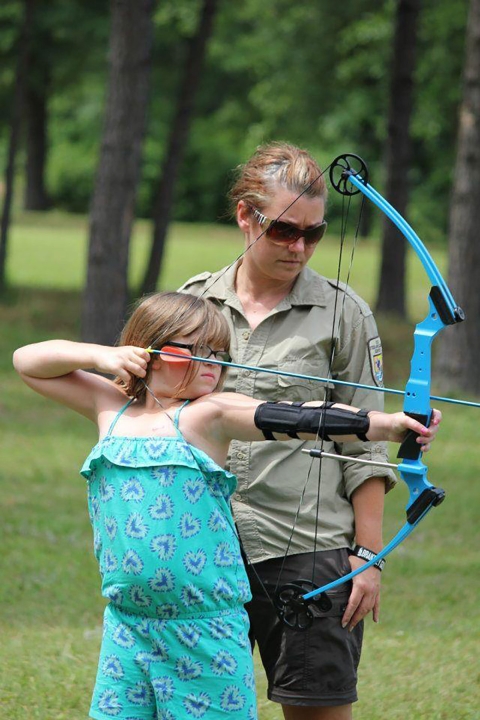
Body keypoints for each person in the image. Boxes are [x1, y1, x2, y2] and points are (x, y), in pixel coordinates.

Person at [13, 292, 440, 720]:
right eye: (193, 349)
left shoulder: (209, 414)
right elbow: (26, 361)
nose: (211, 362)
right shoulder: (109, 405)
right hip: (128, 627)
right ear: (149, 352)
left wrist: (386, 426)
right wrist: (104, 357)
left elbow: (296, 416)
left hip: (204, 631)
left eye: (217, 352)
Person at [179, 142, 435, 720]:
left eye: (314, 234)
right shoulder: (194, 302)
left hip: (308, 554)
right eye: (285, 230)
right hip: (204, 549)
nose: (299, 247)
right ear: (247, 216)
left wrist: (369, 555)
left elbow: (365, 444)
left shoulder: (345, 312)